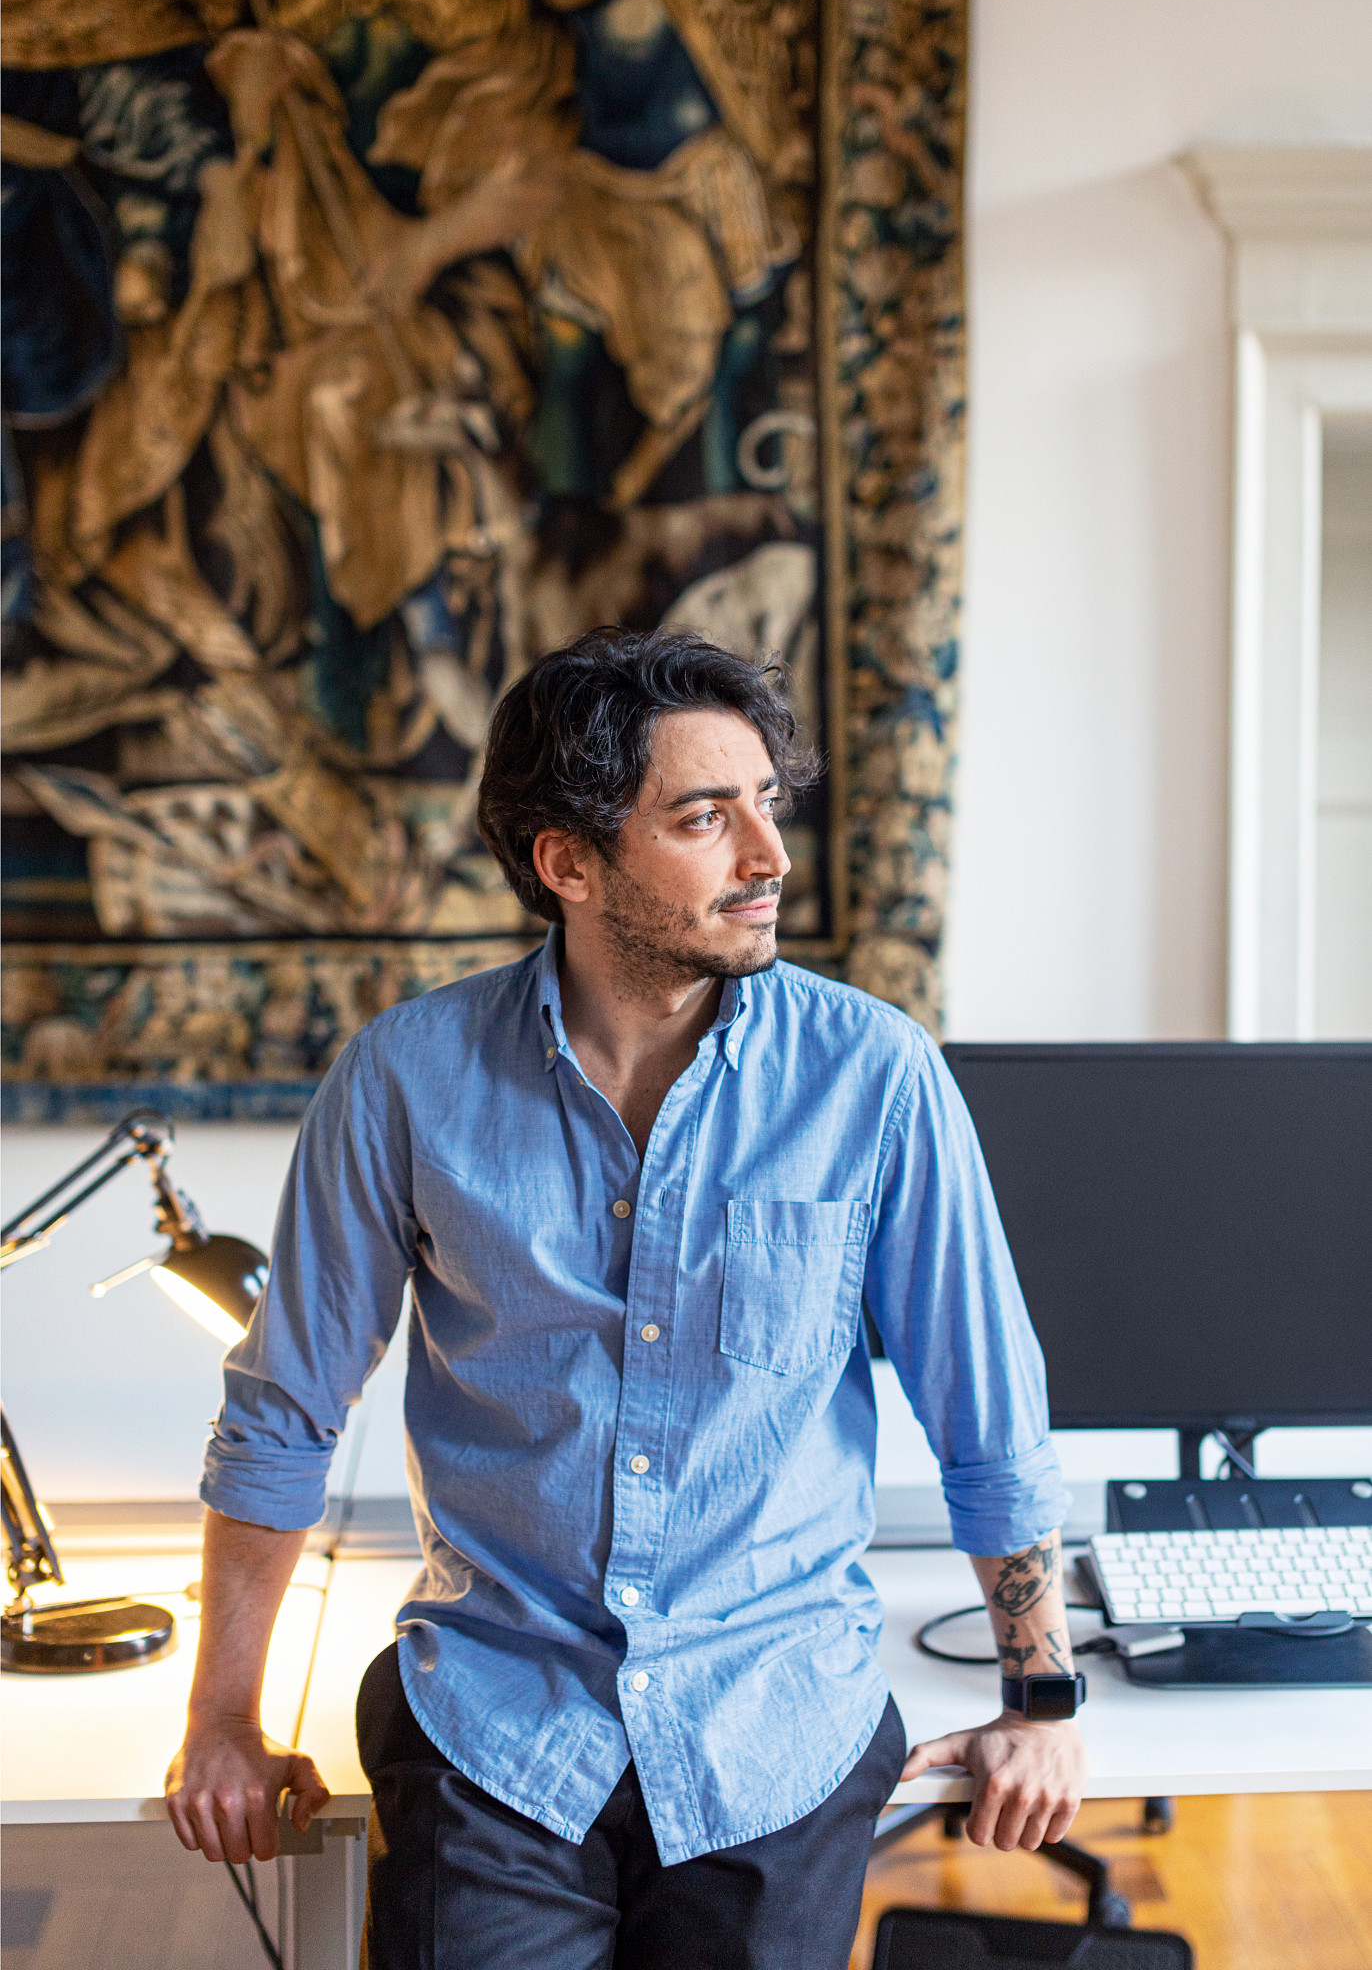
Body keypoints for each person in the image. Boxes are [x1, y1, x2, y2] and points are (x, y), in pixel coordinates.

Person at [165, 629, 1087, 1968]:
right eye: (705, 818)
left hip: (775, 1725)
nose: (769, 856)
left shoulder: (877, 1077)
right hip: (496, 1724)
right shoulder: (405, 1080)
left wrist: (1040, 1700)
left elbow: (988, 1419)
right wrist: (223, 1722)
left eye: (766, 804)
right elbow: (282, 1412)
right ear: (569, 863)